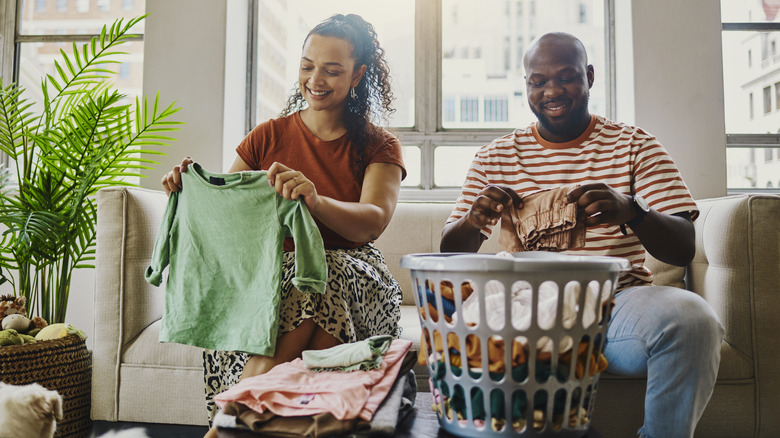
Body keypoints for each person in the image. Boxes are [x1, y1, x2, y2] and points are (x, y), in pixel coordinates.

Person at [440, 32, 724, 438]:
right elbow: (449, 253)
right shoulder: (496, 157)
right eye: (537, 81)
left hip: (616, 303)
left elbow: (682, 247)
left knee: (693, 320)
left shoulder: (634, 145)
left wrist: (633, 210)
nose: (552, 91)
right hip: (523, 307)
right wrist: (473, 220)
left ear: (589, 77)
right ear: (526, 86)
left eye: (567, 77)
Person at [160, 14, 406, 436]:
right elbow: (232, 212)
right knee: (299, 292)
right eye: (307, 65)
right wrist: (188, 191)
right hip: (276, 278)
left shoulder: (378, 144)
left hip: (355, 276)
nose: (316, 79)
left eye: (332, 70)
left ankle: (224, 428)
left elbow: (372, 223)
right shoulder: (267, 136)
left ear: (358, 75)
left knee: (320, 277)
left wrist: (313, 200)